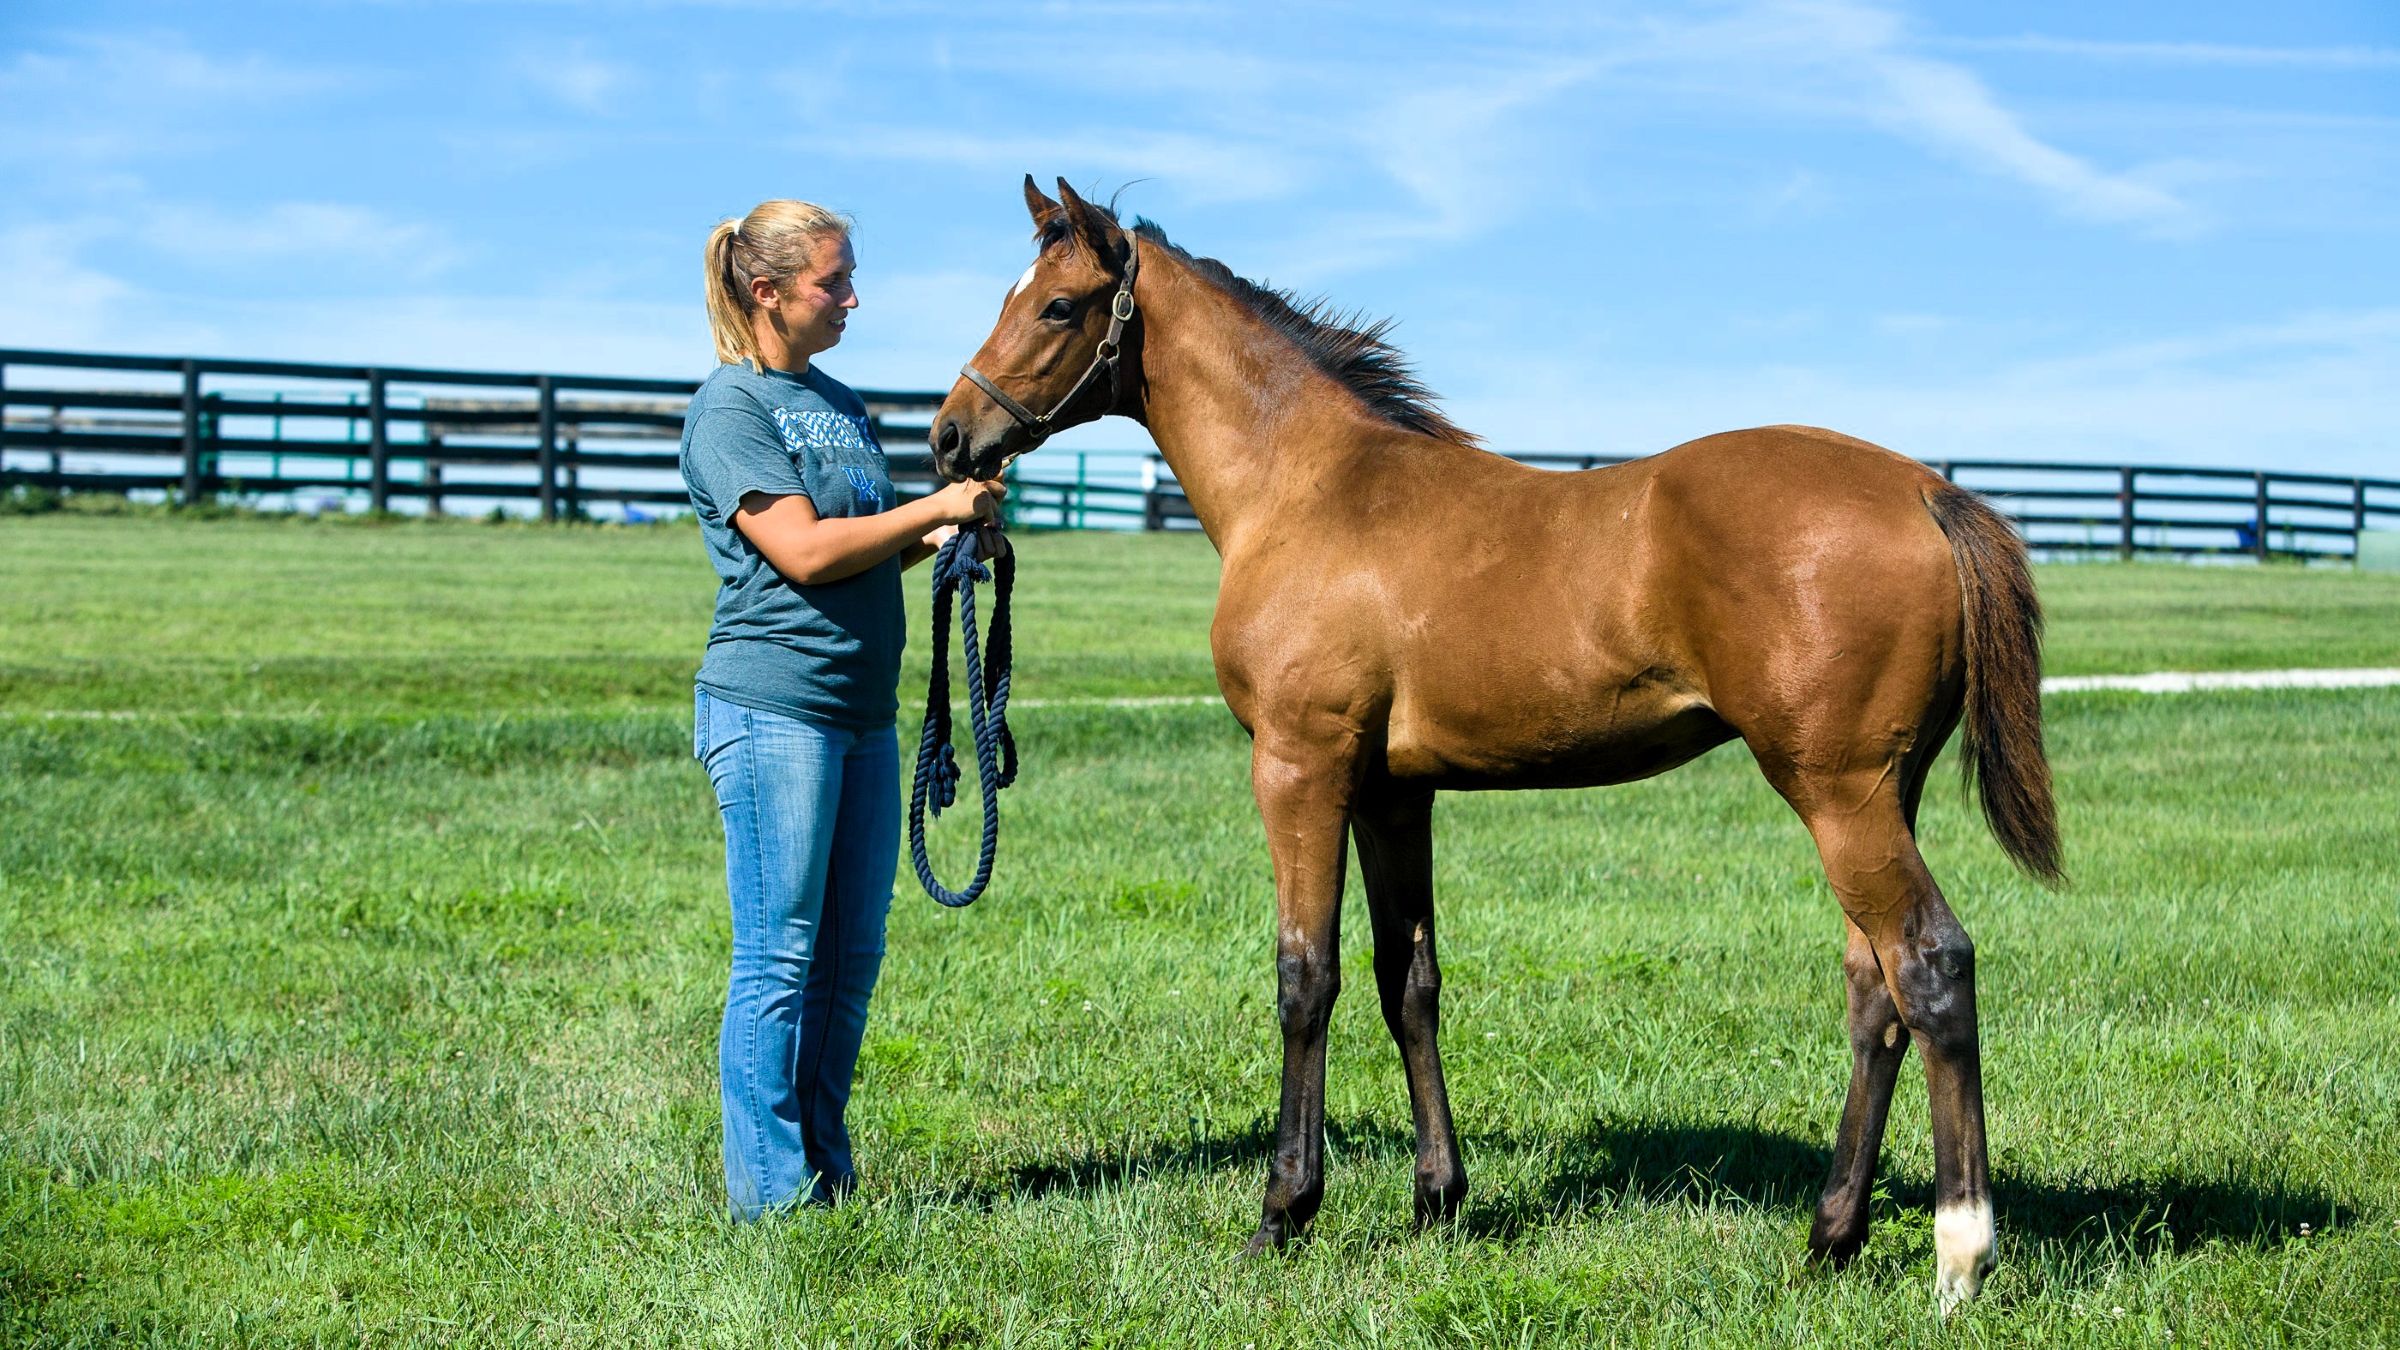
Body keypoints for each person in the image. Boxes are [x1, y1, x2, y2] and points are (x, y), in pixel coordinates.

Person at [680, 200, 1005, 1219]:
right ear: (767, 291)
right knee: (780, 953)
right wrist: (936, 507)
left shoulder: (840, 402)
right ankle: (771, 1200)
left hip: (861, 715)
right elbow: (807, 551)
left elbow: (863, 540)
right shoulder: (731, 409)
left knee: (848, 955)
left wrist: (945, 538)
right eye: (834, 281)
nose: (853, 297)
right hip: (775, 710)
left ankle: (826, 1170)